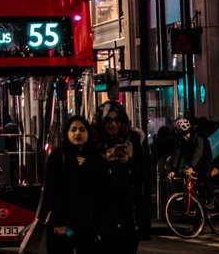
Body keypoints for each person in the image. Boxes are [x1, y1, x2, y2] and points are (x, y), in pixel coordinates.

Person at [38, 115, 107, 254]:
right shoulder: (58, 157)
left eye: (82, 129)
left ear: (88, 133)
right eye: (73, 129)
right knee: (63, 248)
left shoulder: (96, 157)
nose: (77, 133)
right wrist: (58, 221)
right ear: (67, 133)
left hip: (88, 225)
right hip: (64, 225)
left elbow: (101, 190)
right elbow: (51, 191)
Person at [93, 101, 150, 252]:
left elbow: (144, 174)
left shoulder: (133, 140)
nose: (113, 125)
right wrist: (105, 160)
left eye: (117, 120)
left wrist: (128, 161)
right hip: (102, 214)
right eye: (108, 120)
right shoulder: (94, 143)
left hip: (128, 214)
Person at [167, 118, 214, 208]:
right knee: (190, 180)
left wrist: (191, 167)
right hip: (193, 163)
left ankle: (211, 200)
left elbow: (198, 153)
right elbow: (177, 156)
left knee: (205, 175)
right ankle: (199, 207)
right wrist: (173, 170)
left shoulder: (198, 137)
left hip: (205, 161)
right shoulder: (180, 141)